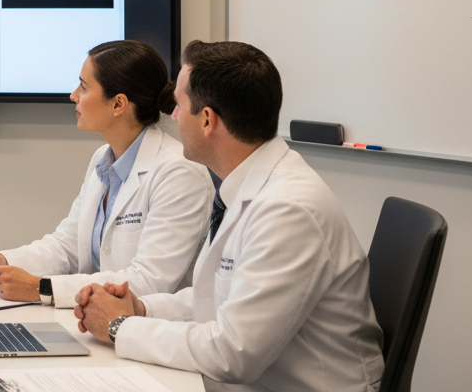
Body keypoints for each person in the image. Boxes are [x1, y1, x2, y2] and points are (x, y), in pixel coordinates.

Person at [74, 40, 384, 392]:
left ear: (207, 120)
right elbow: (216, 299)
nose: (172, 117)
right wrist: (141, 308)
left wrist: (120, 327)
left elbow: (232, 353)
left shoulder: (287, 210)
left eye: (179, 105)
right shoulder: (247, 186)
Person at [0, 40, 214, 307]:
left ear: (118, 104)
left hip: (151, 333)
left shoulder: (179, 173)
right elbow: (68, 245)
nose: (73, 95)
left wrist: (40, 287)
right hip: (95, 320)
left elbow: (148, 281)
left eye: (84, 86)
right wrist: (2, 261)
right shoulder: (103, 159)